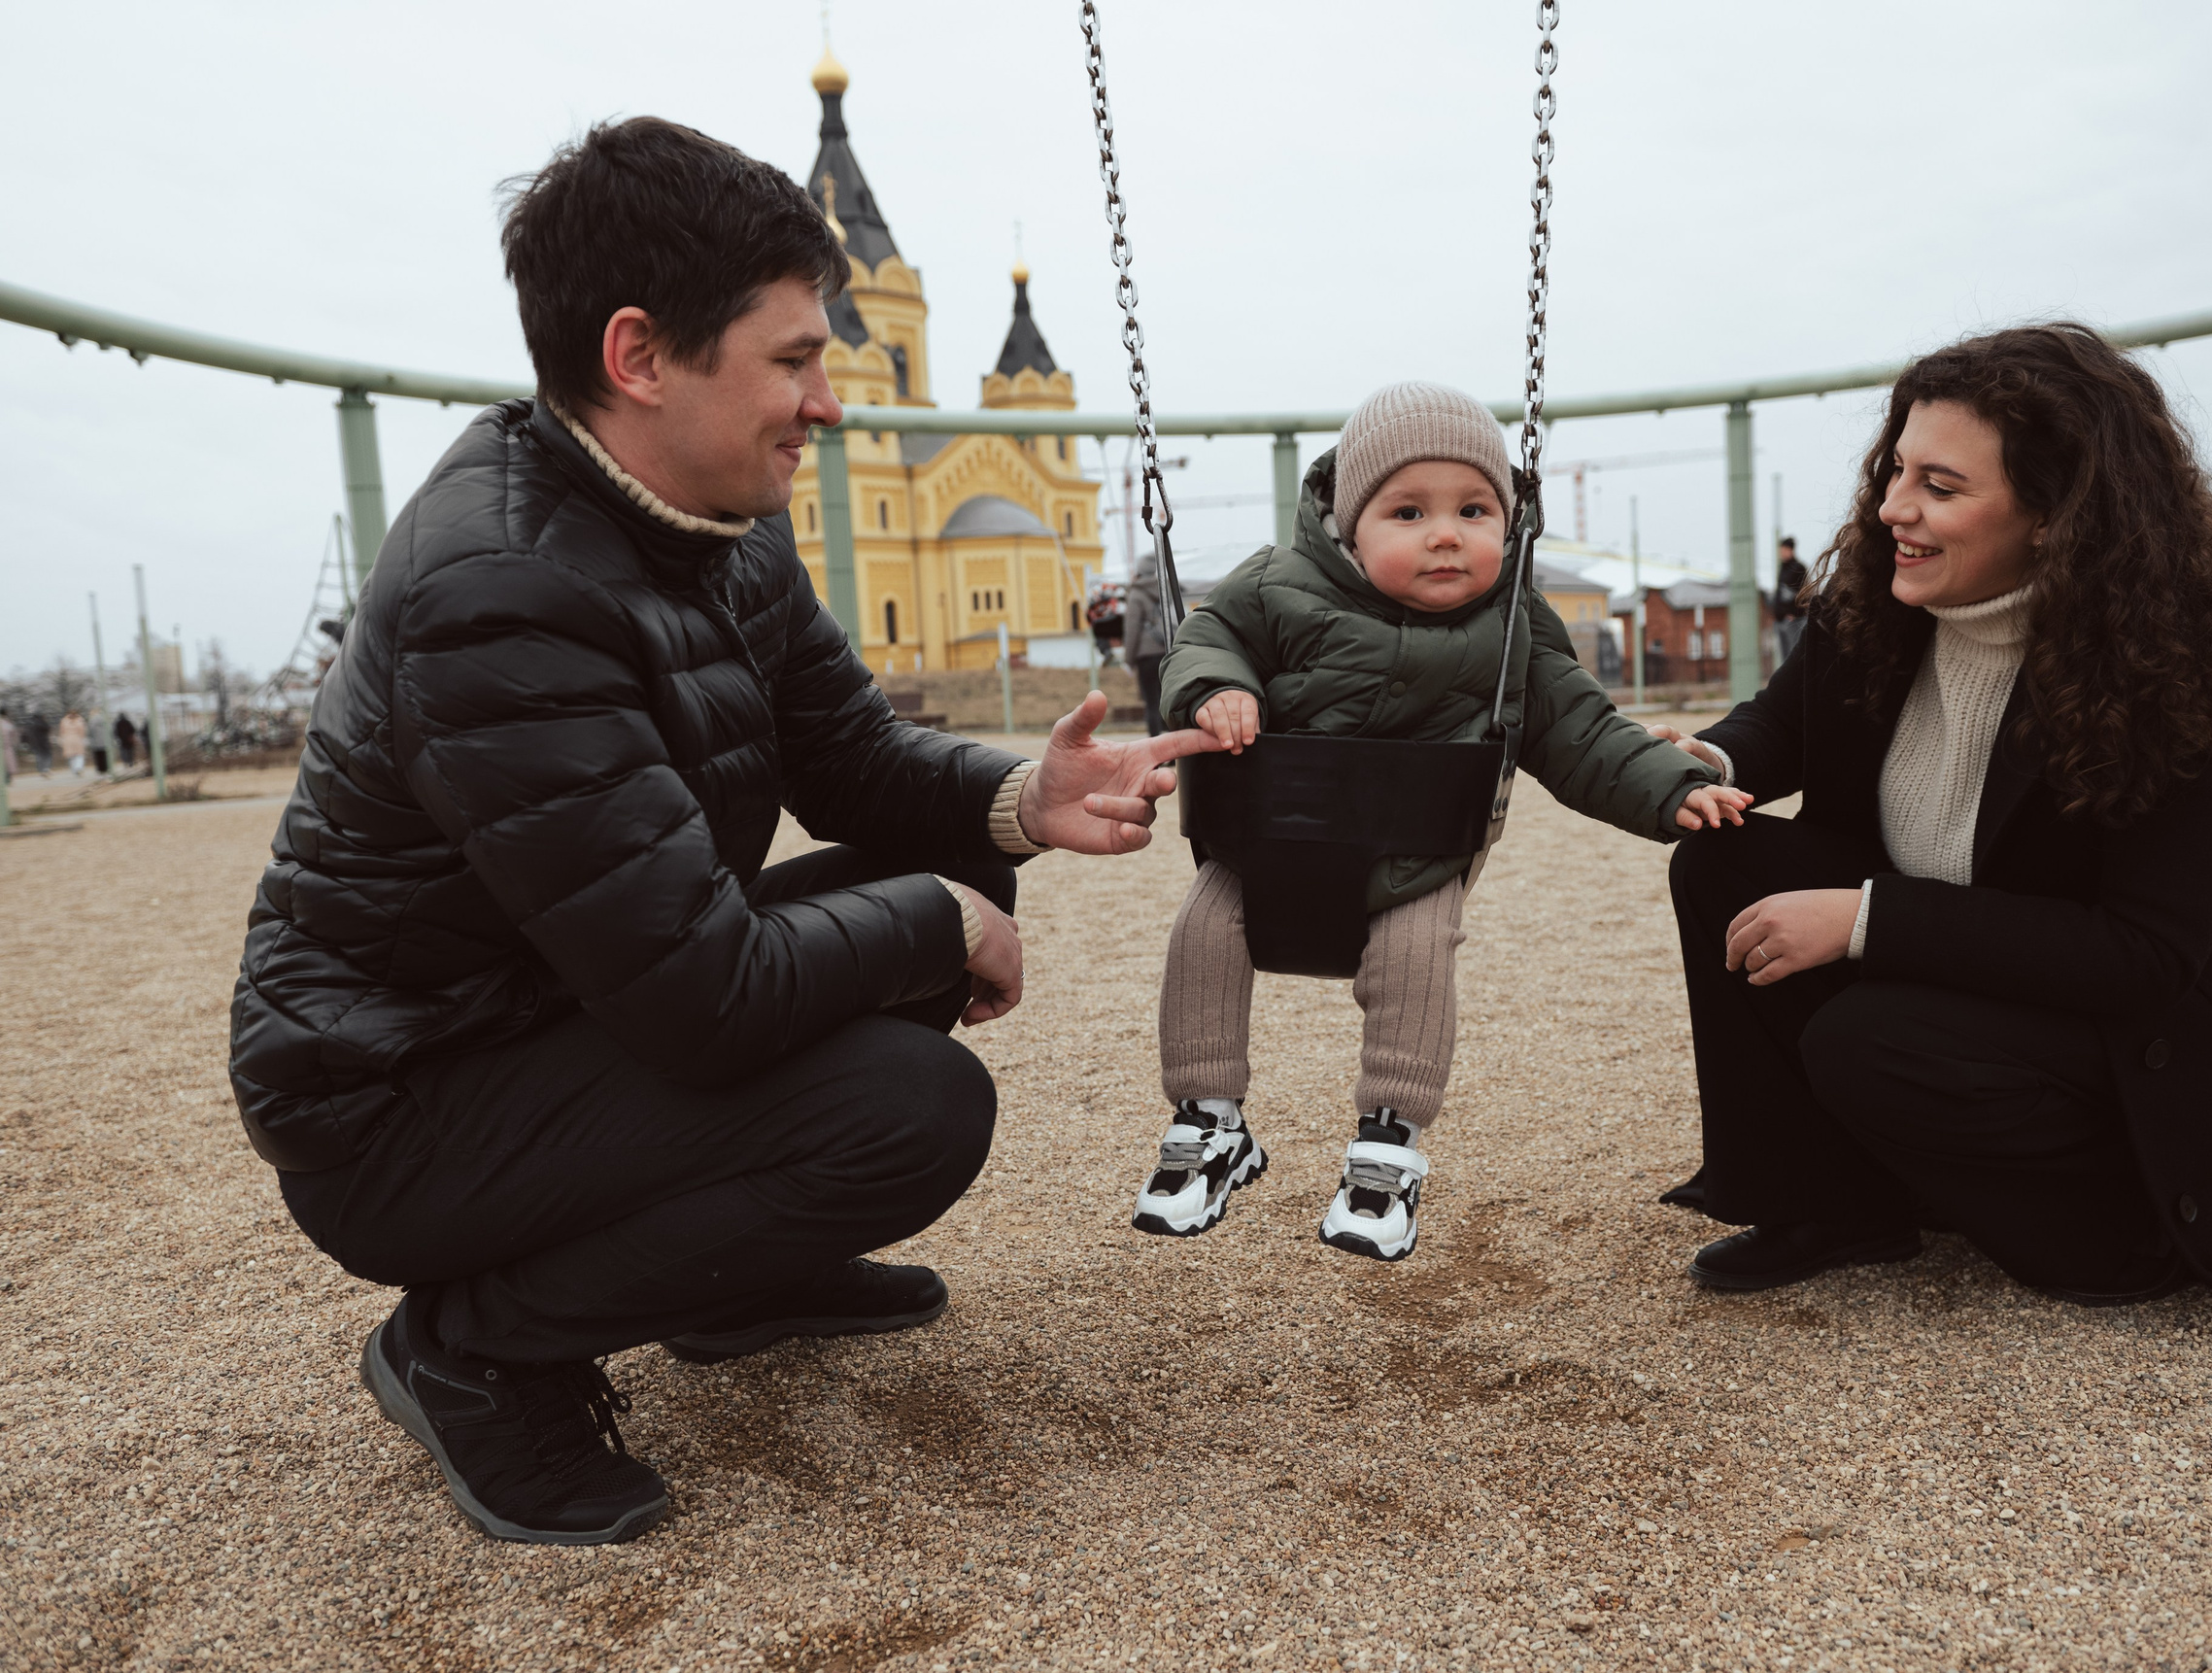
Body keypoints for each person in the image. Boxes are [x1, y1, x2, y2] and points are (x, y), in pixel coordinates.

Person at [227, 118, 1219, 1548]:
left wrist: (1022, 800)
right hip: (401, 1101)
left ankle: (730, 1276)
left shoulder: (716, 515)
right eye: (795, 360)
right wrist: (939, 920)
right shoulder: (498, 590)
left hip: (566, 1001)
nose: (827, 402)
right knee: (912, 1108)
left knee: (940, 865)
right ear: (640, 357)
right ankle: (476, 1349)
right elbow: (706, 1000)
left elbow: (856, 757)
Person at [1650, 323, 2212, 1314]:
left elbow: (2143, 958)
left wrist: (1864, 919)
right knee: (1721, 860)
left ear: (2052, 514)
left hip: (2137, 1048)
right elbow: (1785, 719)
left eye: (1940, 488)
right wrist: (1713, 760)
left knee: (1869, 1038)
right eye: (1894, 471)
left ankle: (2111, 1235)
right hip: (1975, 973)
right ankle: (1829, 1204)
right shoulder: (1879, 592)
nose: (1892, 509)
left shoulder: (2163, 669)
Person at [1132, 383, 1749, 1259]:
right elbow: (1203, 640)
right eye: (1409, 511)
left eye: (1474, 509)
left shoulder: (1512, 629)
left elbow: (1579, 727)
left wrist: (1668, 786)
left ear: (1510, 521)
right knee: (1204, 931)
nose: (1447, 533)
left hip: (1417, 853)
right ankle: (1210, 1124)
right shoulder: (1277, 584)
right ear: (1349, 525)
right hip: (1270, 841)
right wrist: (1219, 690)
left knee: (1418, 956)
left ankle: (1387, 1150)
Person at [1122, 557, 1169, 734]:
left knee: (1152, 702)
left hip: (1146, 656)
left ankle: (1157, 748)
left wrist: (1128, 660)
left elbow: (1132, 629)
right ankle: (1174, 749)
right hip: (1166, 652)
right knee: (1167, 700)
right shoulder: (1164, 590)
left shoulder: (1136, 594)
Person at [1770, 534, 1808, 664]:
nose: (1782, 553)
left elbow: (1804, 593)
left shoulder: (1798, 568)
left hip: (1792, 620)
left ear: (1790, 550)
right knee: (1784, 657)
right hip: (1781, 620)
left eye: (1784, 550)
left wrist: (1795, 613)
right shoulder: (1783, 568)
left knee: (1793, 656)